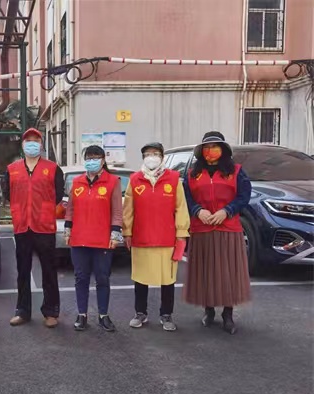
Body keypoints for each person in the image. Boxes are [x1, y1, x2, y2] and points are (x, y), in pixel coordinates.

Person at [184, 131, 252, 334]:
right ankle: (209, 310)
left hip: (228, 229)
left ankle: (228, 314)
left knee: (228, 274)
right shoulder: (192, 174)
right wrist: (198, 211)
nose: (210, 150)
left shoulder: (236, 171)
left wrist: (227, 211)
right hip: (202, 229)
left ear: (223, 150)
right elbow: (186, 198)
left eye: (214, 146)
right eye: (206, 147)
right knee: (206, 272)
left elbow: (244, 196)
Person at [123, 143, 190, 332]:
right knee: (140, 278)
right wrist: (127, 231)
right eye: (147, 154)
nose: (151, 157)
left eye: (155, 153)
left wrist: (181, 233)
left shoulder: (173, 179)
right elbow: (128, 209)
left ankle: (166, 314)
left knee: (167, 279)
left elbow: (181, 207)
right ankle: (140, 313)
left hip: (167, 238)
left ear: (162, 157)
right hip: (141, 238)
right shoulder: (135, 179)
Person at [4, 128, 64, 328]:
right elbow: (7, 193)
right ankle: (22, 311)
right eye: (28, 140)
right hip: (22, 226)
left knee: (49, 271)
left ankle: (51, 311)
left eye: (36, 140)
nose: (32, 144)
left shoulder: (53, 168)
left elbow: (58, 194)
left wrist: (43, 209)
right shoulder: (12, 169)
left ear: (41, 144)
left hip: (44, 226)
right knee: (23, 271)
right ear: (23, 145)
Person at [64, 145, 123, 332]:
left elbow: (117, 211)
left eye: (96, 158)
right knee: (80, 278)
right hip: (79, 239)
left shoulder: (112, 181)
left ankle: (103, 315)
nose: (92, 161)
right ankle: (82, 314)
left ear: (103, 160)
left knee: (102, 278)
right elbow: (70, 209)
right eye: (89, 158)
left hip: (102, 240)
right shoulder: (77, 182)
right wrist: (67, 230)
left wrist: (115, 234)